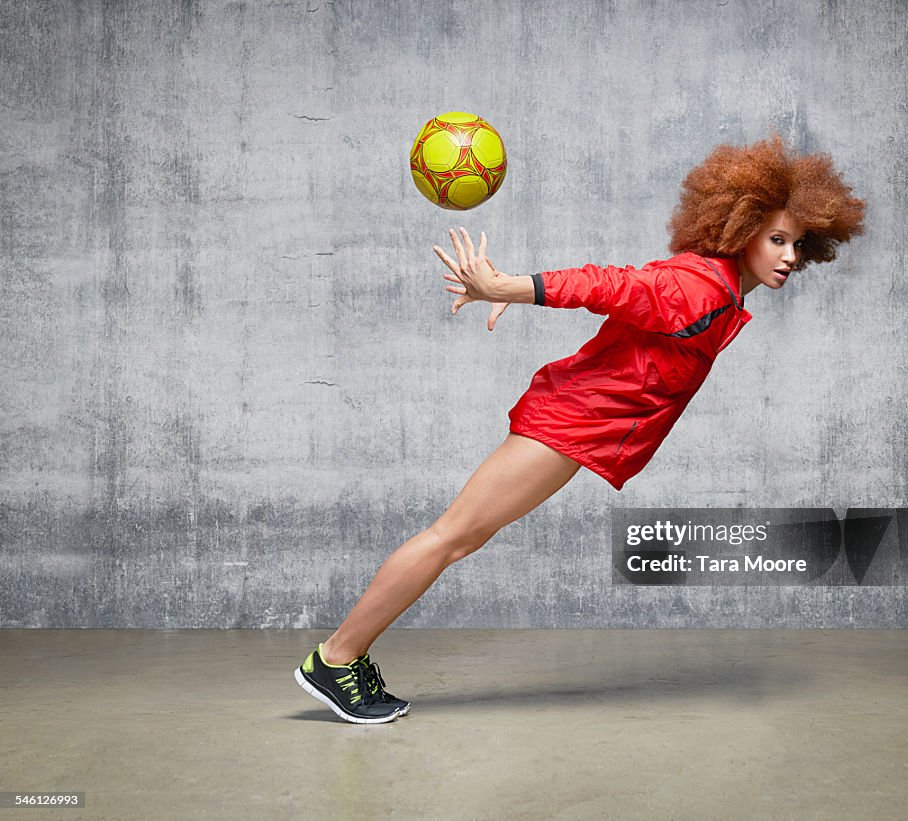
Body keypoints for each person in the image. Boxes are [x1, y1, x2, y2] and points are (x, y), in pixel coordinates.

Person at [294, 134, 866, 723]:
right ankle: (336, 658)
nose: (790, 256)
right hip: (566, 426)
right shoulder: (700, 288)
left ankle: (345, 655)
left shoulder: (719, 289)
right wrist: (506, 288)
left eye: (797, 243)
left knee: (461, 537)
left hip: (574, 425)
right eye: (776, 239)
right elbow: (608, 285)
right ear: (740, 226)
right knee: (453, 537)